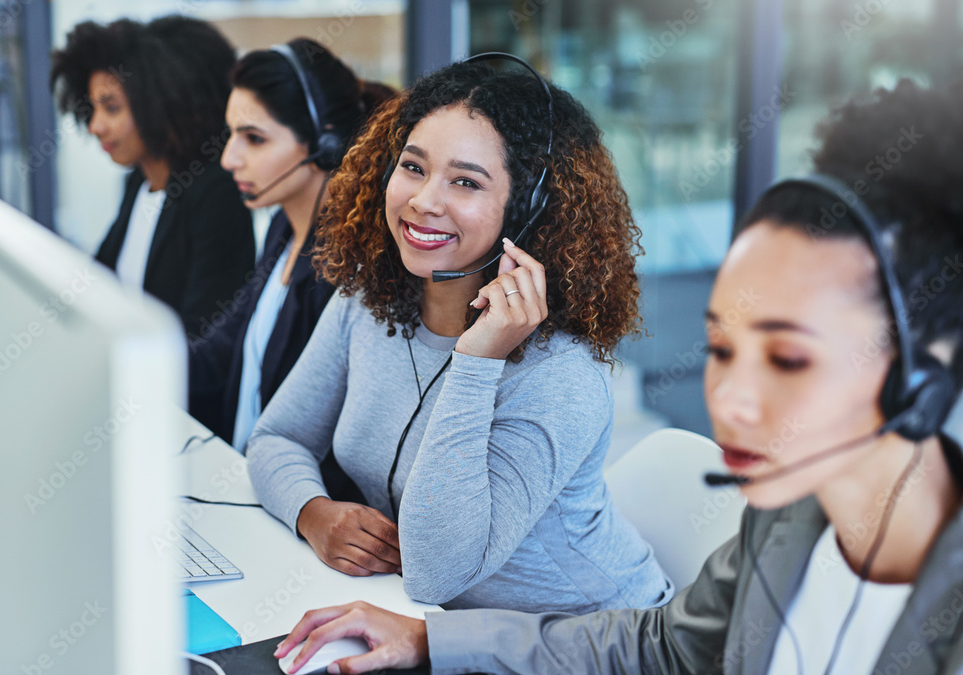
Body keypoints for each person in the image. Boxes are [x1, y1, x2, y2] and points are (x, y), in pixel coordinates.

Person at [273, 79, 963, 674]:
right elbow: (660, 645)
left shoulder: (561, 372)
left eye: (788, 358)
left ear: (928, 374)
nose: (731, 402)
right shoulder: (791, 526)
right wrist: (433, 640)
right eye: (721, 349)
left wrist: (475, 360)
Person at [245, 58, 672, 615]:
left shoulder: (561, 374)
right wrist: (313, 513)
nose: (424, 200)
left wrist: (476, 360)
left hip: (589, 638)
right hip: (449, 628)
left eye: (466, 181)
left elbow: (436, 572)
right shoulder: (369, 301)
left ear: (528, 212)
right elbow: (276, 438)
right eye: (413, 168)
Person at [188, 38, 393, 454]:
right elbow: (220, 355)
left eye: (255, 139)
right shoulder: (283, 227)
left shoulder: (348, 266)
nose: (229, 158)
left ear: (324, 144)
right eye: (232, 135)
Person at [50, 16, 254, 336]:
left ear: (160, 104)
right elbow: (99, 282)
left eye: (112, 108)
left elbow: (204, 338)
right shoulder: (138, 181)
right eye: (93, 108)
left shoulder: (215, 194)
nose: (95, 126)